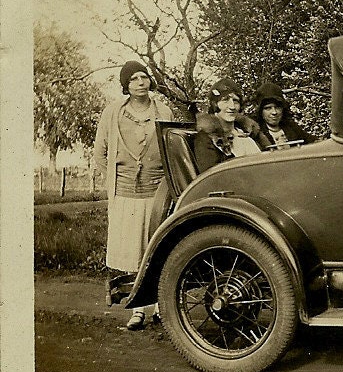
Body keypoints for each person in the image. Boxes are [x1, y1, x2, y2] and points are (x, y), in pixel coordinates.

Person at [93, 60, 174, 330]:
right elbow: (100, 153)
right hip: (126, 194)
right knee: (134, 254)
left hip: (157, 192)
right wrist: (117, 180)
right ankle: (138, 309)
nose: (141, 83)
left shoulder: (163, 111)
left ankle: (162, 309)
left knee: (158, 248)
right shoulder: (113, 113)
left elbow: (173, 149)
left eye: (144, 77)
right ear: (125, 85)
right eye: (134, 79)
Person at [194, 77, 263, 173]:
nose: (232, 107)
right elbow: (212, 178)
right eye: (225, 100)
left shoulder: (248, 133)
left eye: (236, 101)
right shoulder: (206, 138)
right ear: (215, 104)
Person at [253, 81, 317, 150]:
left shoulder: (291, 127)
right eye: (268, 108)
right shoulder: (257, 132)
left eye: (277, 107)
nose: (274, 112)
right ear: (261, 111)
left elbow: (313, 143)